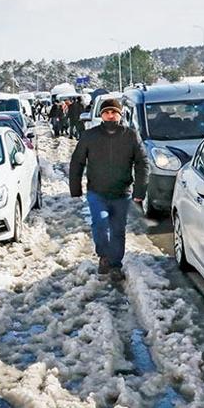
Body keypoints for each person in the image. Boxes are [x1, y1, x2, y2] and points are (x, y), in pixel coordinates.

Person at [69, 98, 148, 279]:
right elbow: (77, 162)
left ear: (120, 115)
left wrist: (139, 191)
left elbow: (142, 163)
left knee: (118, 230)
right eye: (106, 112)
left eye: (114, 112)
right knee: (100, 223)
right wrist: (75, 188)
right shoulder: (90, 136)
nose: (110, 115)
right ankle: (104, 256)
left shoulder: (130, 136)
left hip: (122, 194)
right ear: (101, 115)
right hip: (97, 192)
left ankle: (115, 265)